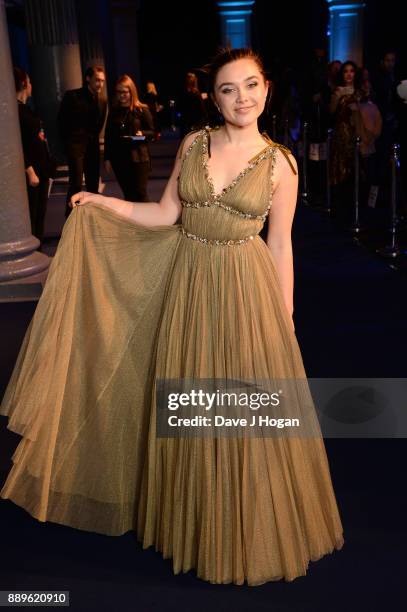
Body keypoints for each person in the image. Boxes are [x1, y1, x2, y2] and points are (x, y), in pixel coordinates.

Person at [0, 47, 344, 587]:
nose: (242, 98)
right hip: (190, 283)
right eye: (229, 89)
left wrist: (285, 318)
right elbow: (164, 214)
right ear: (213, 96)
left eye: (251, 85)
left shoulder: (281, 163)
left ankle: (243, 529)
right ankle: (194, 523)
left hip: (247, 291)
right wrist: (102, 202)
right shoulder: (193, 144)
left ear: (267, 89)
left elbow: (281, 245)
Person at [58, 65, 108, 218]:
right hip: (75, 147)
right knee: (76, 184)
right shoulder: (72, 96)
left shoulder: (102, 101)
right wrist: (69, 144)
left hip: (92, 147)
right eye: (97, 80)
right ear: (88, 79)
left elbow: (99, 125)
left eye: (102, 81)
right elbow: (61, 122)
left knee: (93, 185)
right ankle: (71, 219)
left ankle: (91, 219)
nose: (100, 84)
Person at [14, 67, 55, 249]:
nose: (31, 85)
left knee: (40, 214)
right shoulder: (16, 111)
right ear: (24, 84)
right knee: (33, 214)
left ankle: (38, 247)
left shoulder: (26, 109)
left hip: (42, 169)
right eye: (29, 82)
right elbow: (18, 145)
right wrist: (30, 171)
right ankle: (34, 249)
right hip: (33, 172)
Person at [104, 75, 155, 202]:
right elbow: (108, 137)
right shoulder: (114, 111)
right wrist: (107, 158)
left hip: (139, 158)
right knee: (129, 196)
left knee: (141, 194)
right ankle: (133, 222)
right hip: (119, 159)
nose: (121, 95)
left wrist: (141, 134)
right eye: (118, 92)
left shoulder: (141, 109)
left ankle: (148, 221)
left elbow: (153, 132)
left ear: (131, 91)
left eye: (124, 92)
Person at [178, 71, 208, 137]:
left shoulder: (183, 91)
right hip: (194, 118)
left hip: (186, 117)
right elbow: (201, 108)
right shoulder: (195, 93)